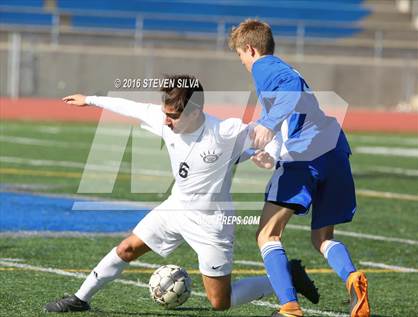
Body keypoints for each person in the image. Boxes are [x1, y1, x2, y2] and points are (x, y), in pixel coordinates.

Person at [44, 75, 318, 313]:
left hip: (212, 223)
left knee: (220, 302)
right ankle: (80, 298)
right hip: (175, 208)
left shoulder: (225, 131)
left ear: (195, 112)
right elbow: (132, 107)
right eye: (166, 114)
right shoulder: (166, 119)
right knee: (126, 248)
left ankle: (287, 276)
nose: (166, 121)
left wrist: (268, 154)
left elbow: (272, 132)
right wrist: (90, 99)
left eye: (173, 116)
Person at [229, 20, 370, 317]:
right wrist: (269, 151)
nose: (242, 62)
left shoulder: (264, 67)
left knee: (267, 234)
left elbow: (289, 95)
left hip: (305, 158)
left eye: (240, 55)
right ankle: (353, 279)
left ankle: (289, 307)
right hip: (334, 152)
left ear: (251, 49)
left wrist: (266, 127)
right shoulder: (283, 71)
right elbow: (292, 115)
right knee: (322, 238)